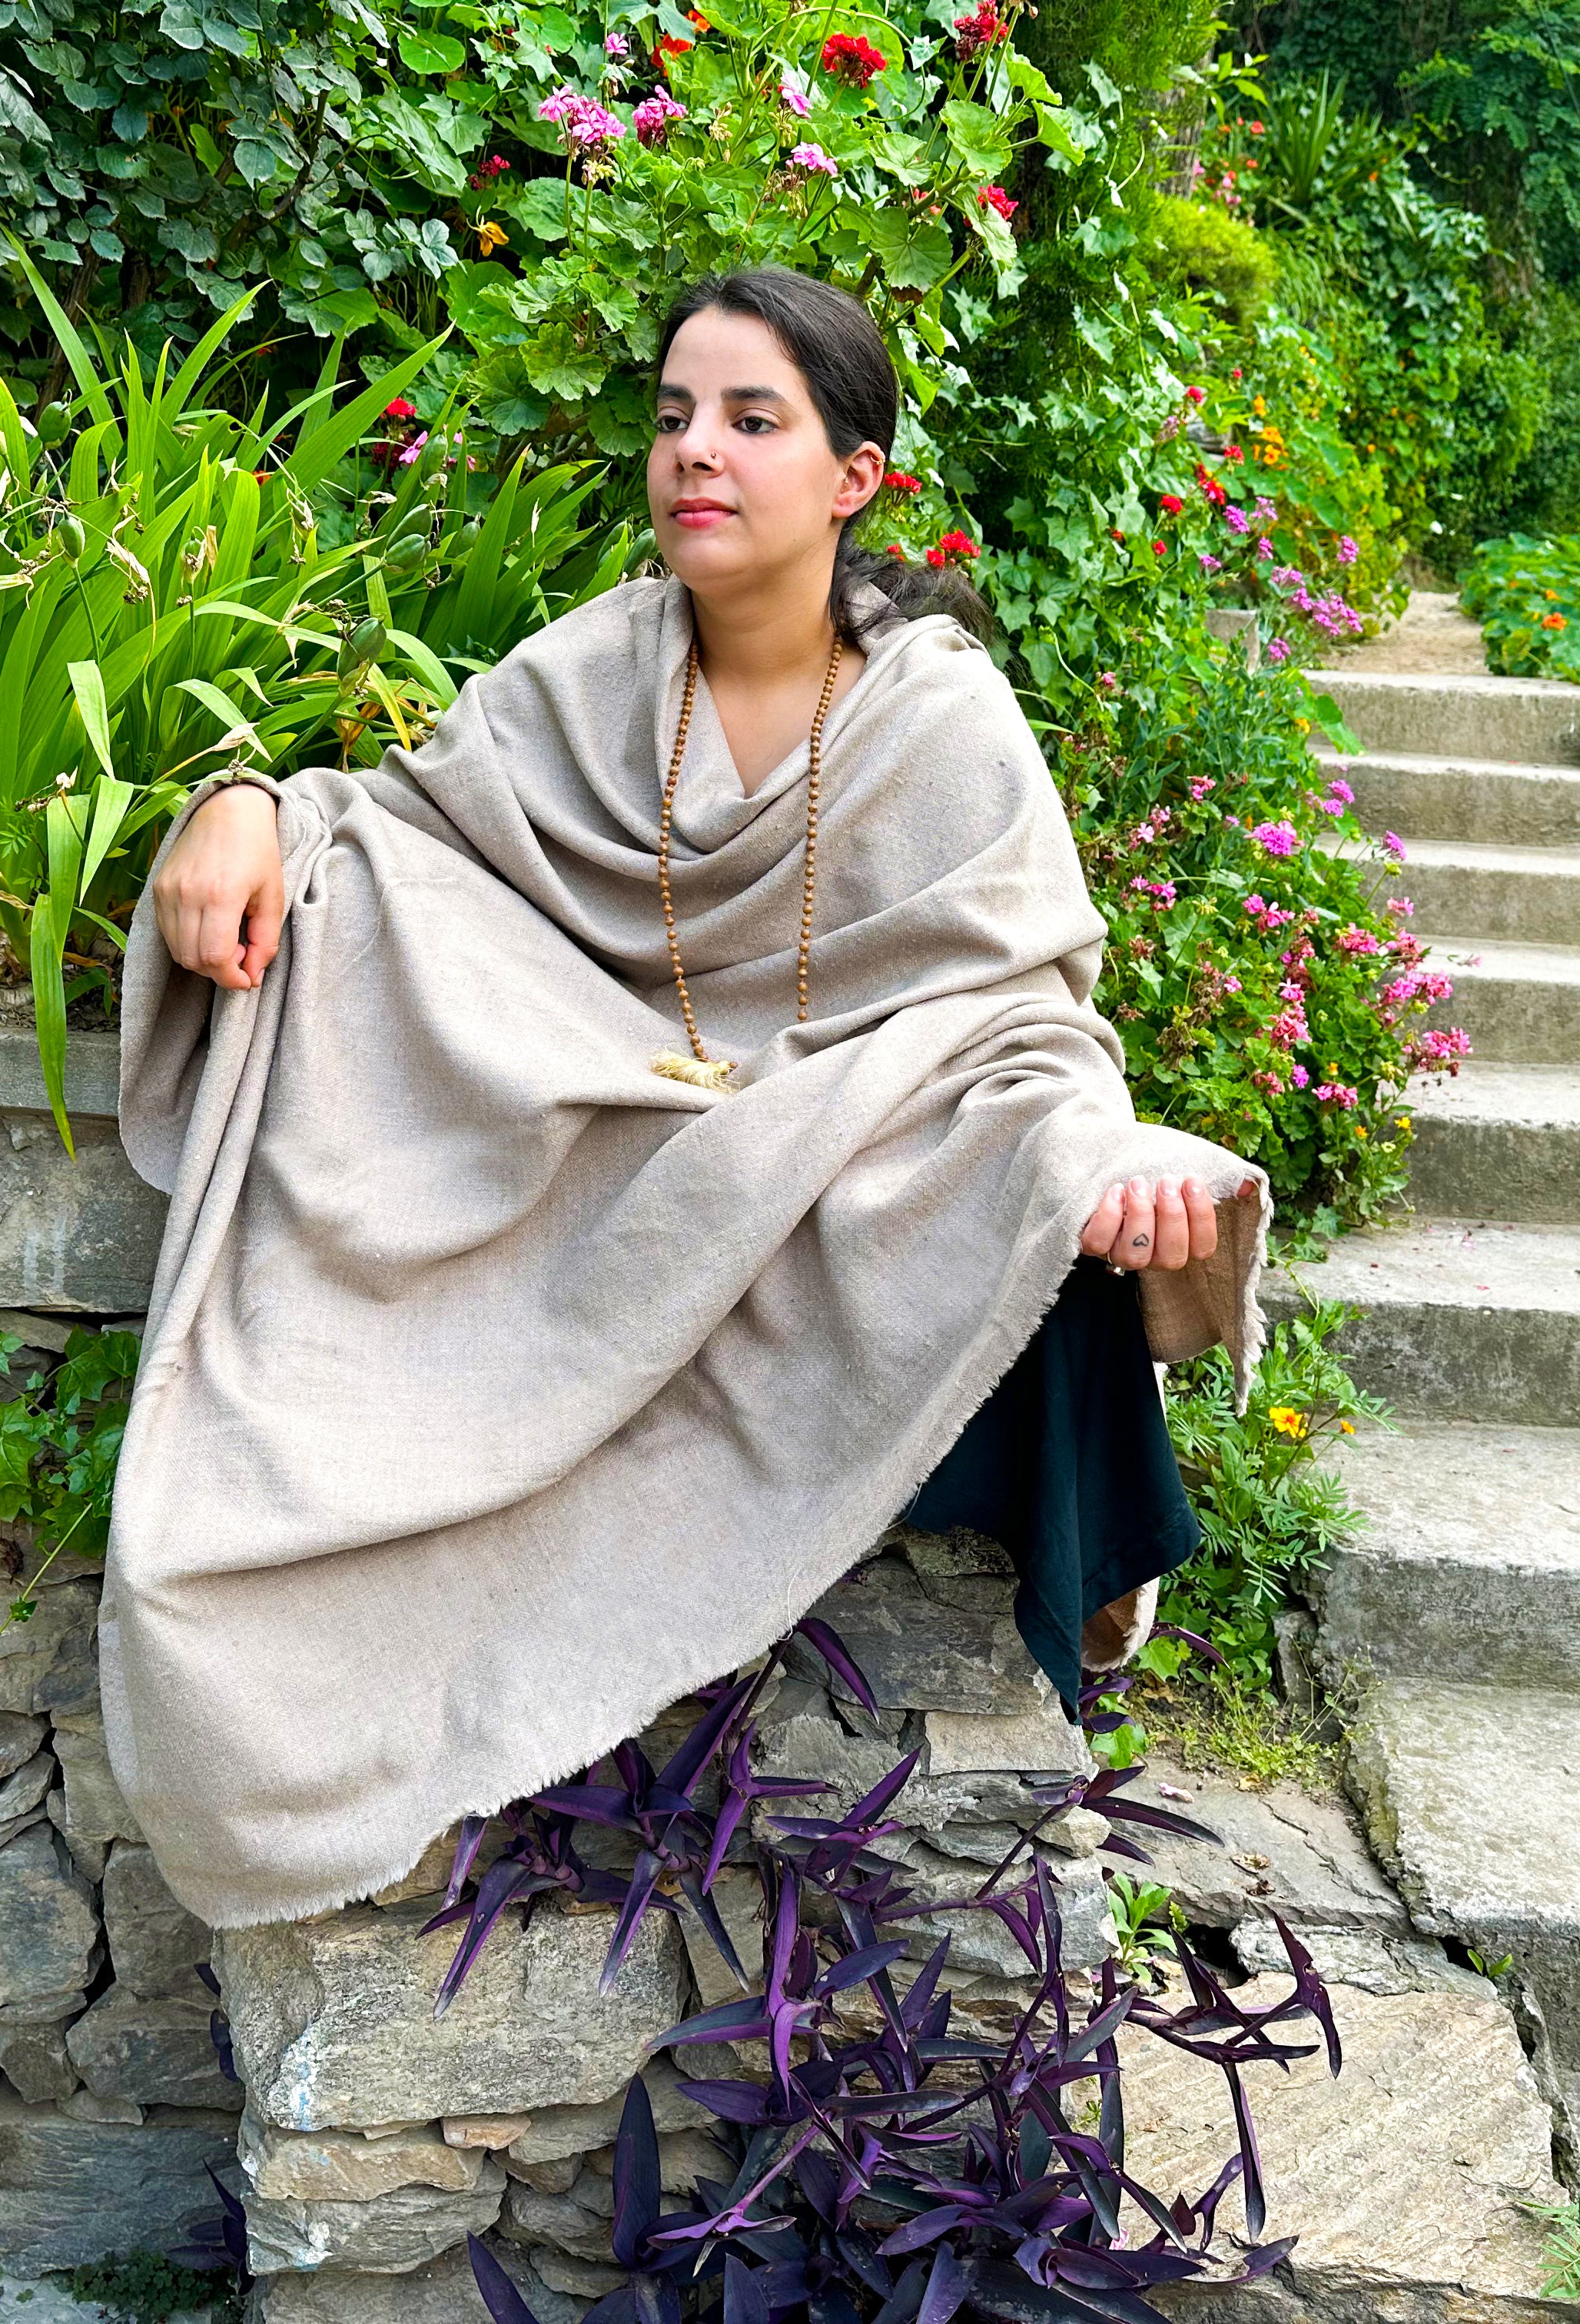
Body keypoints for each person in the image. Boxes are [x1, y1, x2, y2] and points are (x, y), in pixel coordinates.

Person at [107, 267, 1270, 1931]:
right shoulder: (597, 673)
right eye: (671, 419)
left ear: (857, 477)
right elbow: (392, 834)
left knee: (1017, 1194)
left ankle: (1028, 1770)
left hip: (827, 1150)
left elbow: (1019, 1024)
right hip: (612, 1137)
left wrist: (1103, 1150)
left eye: (750, 419)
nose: (693, 455)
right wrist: (242, 804)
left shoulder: (939, 715)